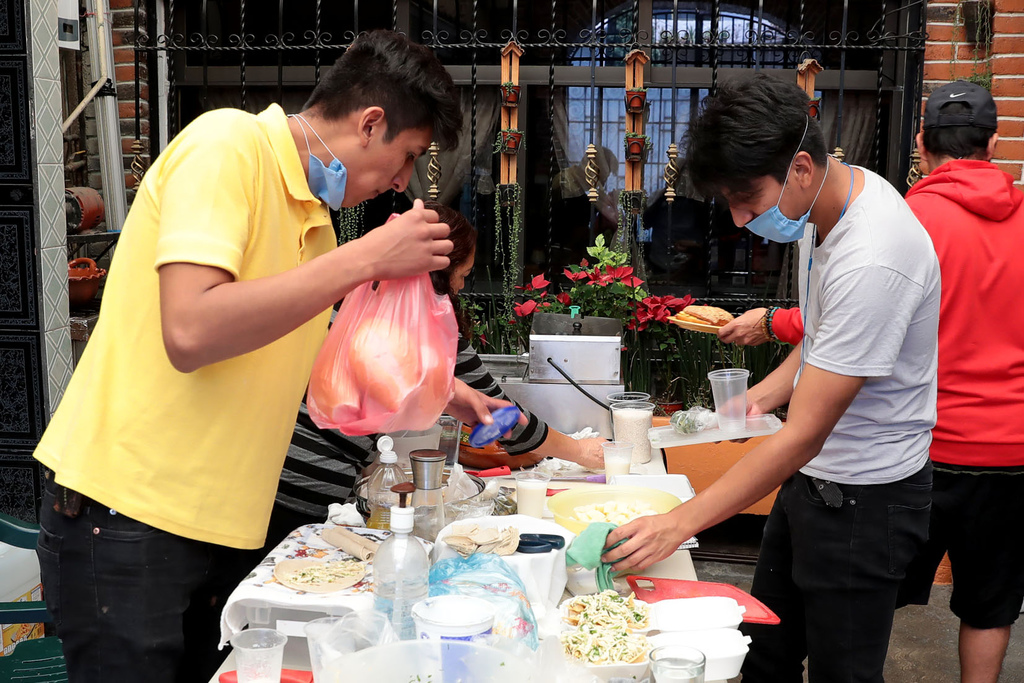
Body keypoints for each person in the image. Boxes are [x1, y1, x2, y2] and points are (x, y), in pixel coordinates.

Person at [31, 30, 514, 683]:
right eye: (406, 156)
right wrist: (367, 258)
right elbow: (191, 331)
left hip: (217, 528)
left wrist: (445, 392)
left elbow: (319, 361)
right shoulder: (228, 146)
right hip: (128, 515)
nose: (402, 181)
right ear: (370, 123)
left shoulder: (313, 223)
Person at [602, 74, 940, 683]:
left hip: (866, 500)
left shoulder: (873, 255)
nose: (739, 217)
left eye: (746, 197)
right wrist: (756, 399)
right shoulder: (825, 210)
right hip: (814, 482)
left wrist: (680, 523)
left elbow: (804, 433)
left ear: (801, 168)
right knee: (763, 655)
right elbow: (821, 340)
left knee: (843, 673)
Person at [262, 201, 609, 549]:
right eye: (463, 273)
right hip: (311, 486)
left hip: (264, 471)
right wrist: (579, 450)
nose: (461, 285)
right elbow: (501, 416)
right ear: (442, 269)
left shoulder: (349, 292)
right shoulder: (425, 326)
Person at [894, 80, 1024, 683]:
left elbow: (854, 318)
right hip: (1012, 449)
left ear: (922, 142)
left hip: (920, 445)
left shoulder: (908, 221)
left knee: (873, 589)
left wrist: (775, 323)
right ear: (993, 144)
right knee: (991, 602)